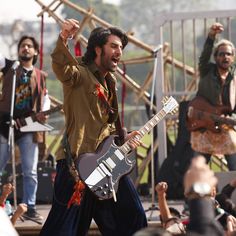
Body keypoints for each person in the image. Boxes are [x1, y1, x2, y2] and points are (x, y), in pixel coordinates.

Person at [40, 19, 147, 236]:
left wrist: (122, 139)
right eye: (114, 46)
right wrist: (63, 38)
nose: (119, 52)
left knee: (133, 218)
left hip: (109, 165)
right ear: (98, 49)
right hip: (76, 167)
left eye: (121, 48)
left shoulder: (111, 83)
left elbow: (105, 126)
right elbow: (61, 66)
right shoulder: (78, 74)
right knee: (65, 229)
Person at [0, 35, 50, 224]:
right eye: (23, 46)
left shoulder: (41, 75)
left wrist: (44, 111)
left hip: (29, 125)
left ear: (35, 51)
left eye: (29, 46)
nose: (26, 48)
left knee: (30, 171)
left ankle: (29, 207)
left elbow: (46, 98)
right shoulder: (9, 66)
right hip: (5, 122)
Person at [188, 22, 236, 170]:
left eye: (228, 54)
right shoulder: (207, 70)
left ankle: (228, 193)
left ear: (233, 58)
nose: (225, 57)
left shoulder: (234, 79)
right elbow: (204, 56)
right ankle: (196, 193)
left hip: (225, 127)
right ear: (215, 57)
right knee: (198, 170)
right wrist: (211, 36)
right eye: (221, 54)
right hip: (204, 127)